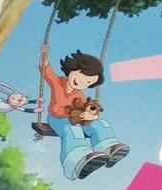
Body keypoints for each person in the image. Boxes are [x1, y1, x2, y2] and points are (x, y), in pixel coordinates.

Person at [40, 44, 129, 180]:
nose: (82, 83)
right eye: (82, 77)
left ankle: (109, 149)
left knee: (100, 123)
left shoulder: (79, 95)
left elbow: (87, 109)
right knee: (73, 130)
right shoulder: (57, 82)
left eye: (88, 82)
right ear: (72, 69)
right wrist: (44, 55)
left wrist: (91, 115)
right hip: (57, 118)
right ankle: (76, 161)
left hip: (76, 117)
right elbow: (46, 70)